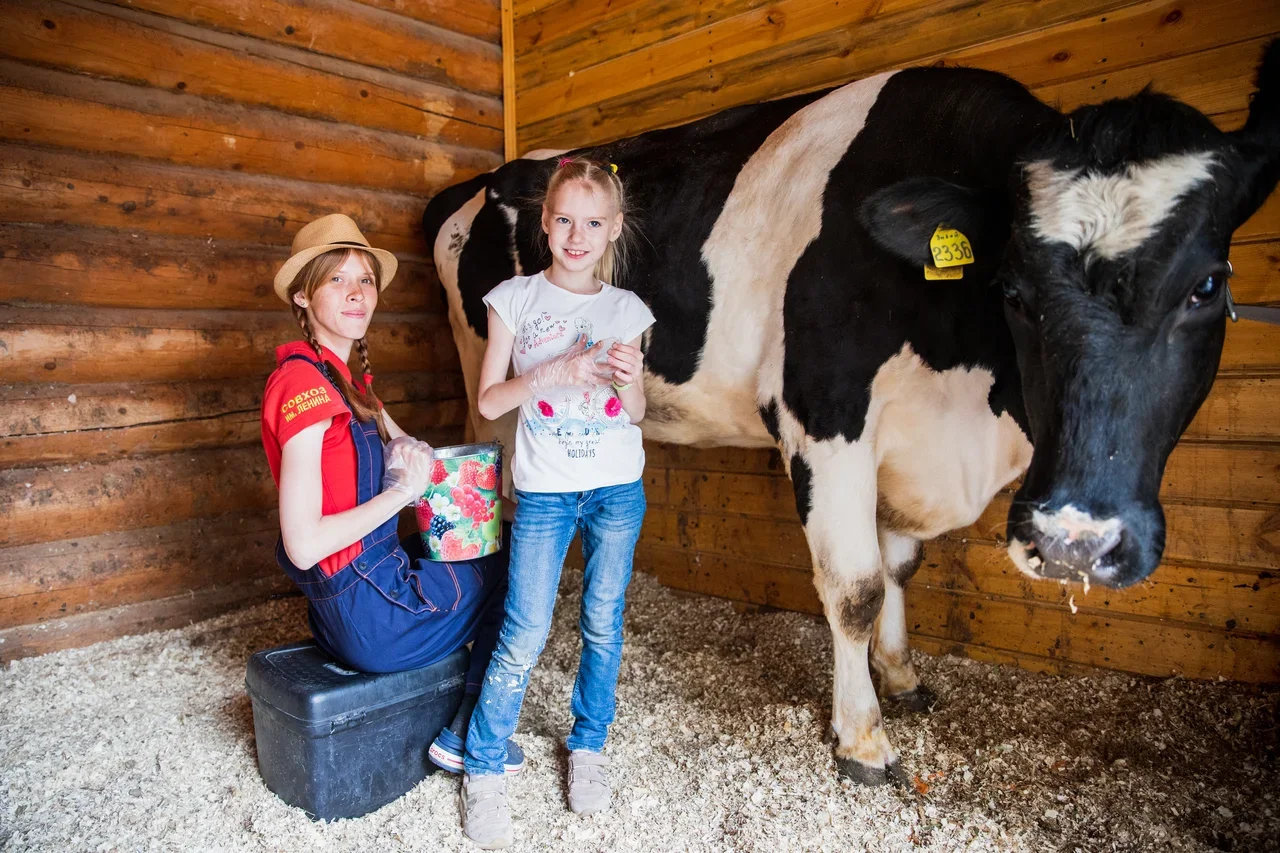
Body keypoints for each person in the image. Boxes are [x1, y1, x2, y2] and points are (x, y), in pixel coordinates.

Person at [259, 213, 522, 776]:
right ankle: (472, 731)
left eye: (366, 281)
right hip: (378, 615)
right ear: (303, 296)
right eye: (338, 280)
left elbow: (414, 450)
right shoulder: (303, 387)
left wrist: (480, 491)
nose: (357, 294)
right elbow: (303, 544)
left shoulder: (341, 381)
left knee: (501, 531)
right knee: (519, 561)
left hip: (348, 607)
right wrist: (403, 491)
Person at [459, 158, 655, 848]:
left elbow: (634, 413)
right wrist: (555, 371)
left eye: (592, 223)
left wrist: (630, 381)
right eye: (564, 219)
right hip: (544, 490)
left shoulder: (626, 311)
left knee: (603, 620)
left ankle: (589, 748)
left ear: (613, 230)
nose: (577, 235)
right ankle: (483, 765)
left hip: (616, 489)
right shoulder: (513, 298)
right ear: (544, 223)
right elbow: (487, 401)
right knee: (525, 628)